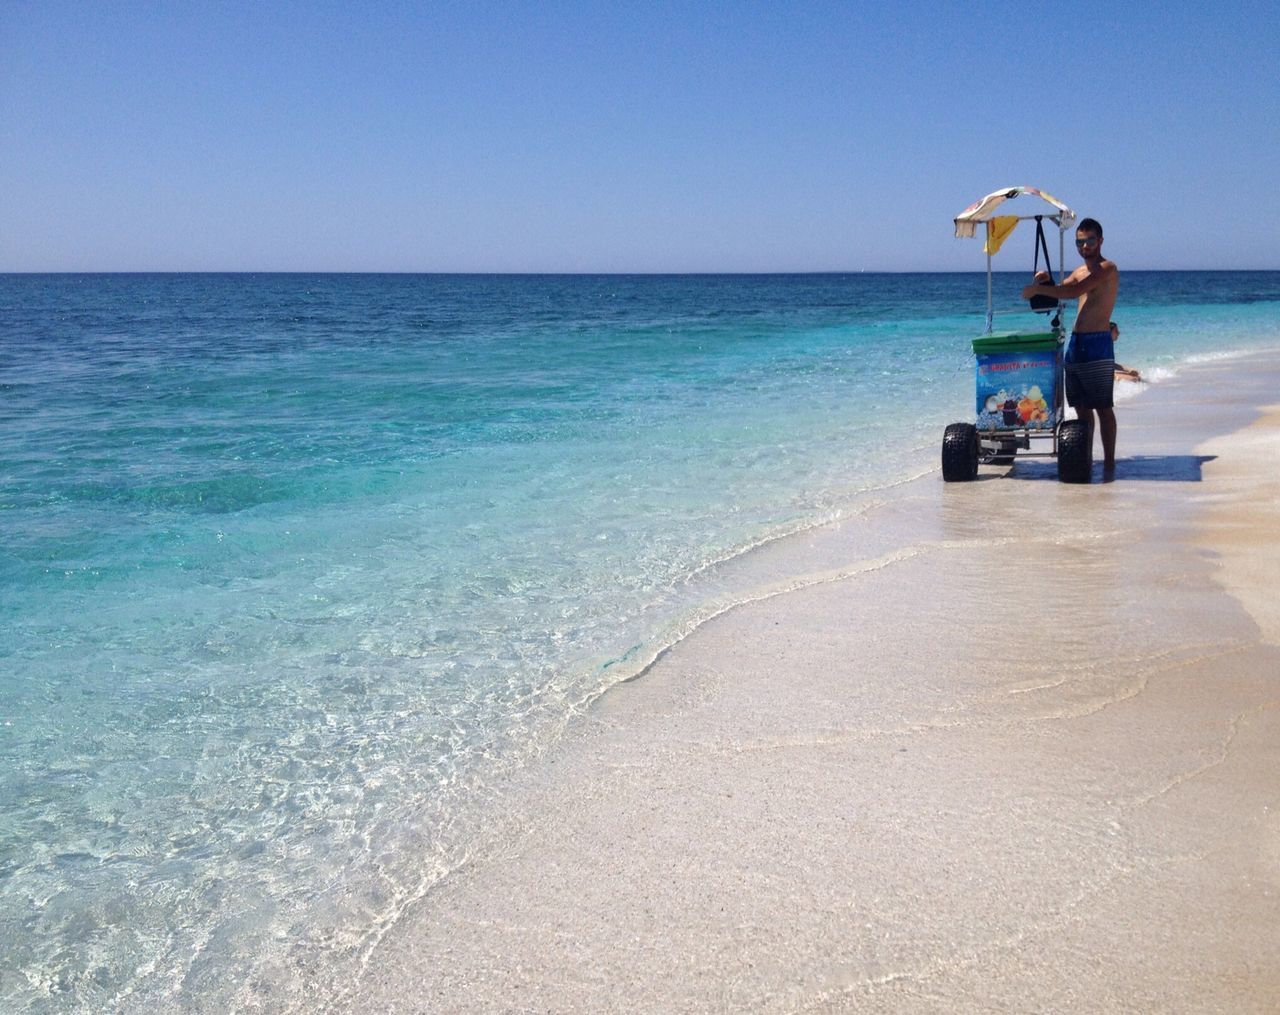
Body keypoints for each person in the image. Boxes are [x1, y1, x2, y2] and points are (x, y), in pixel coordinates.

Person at [1022, 218, 1119, 468]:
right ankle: (1085, 457)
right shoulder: (1078, 271)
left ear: (1100, 241)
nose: (1085, 246)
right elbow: (1060, 291)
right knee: (1081, 407)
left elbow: (1075, 292)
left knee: (1103, 407)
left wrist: (1038, 291)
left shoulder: (1107, 268)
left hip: (1098, 344)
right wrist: (1044, 283)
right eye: (1080, 241)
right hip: (1076, 343)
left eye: (1090, 241)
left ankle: (1109, 462)